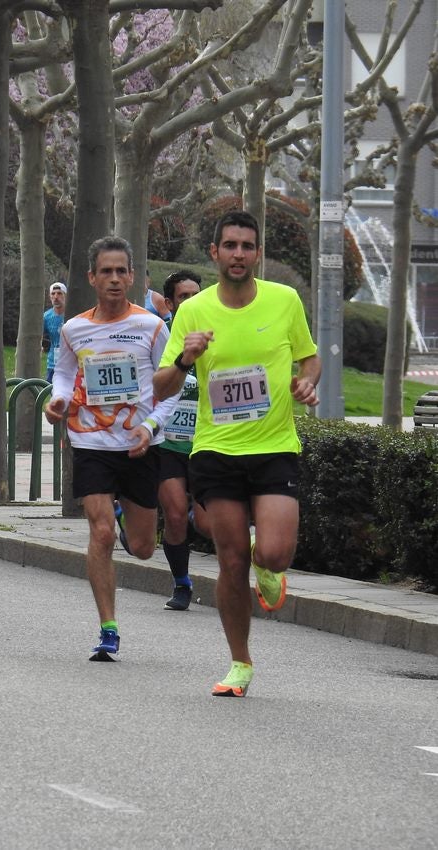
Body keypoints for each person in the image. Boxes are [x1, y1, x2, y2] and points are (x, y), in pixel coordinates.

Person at [154, 210, 320, 697]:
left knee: (274, 552)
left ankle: (265, 560)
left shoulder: (284, 300)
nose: (239, 254)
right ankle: (239, 663)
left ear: (258, 253)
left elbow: (309, 356)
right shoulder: (193, 311)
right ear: (215, 253)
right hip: (217, 449)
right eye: (230, 245)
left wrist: (308, 381)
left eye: (248, 246)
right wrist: (186, 357)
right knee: (230, 562)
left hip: (273, 447)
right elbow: (162, 387)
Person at [44, 235, 180, 661]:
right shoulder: (73, 328)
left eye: (122, 271)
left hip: (140, 443)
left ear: (133, 277)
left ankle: (127, 517)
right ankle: (108, 628)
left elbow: (174, 387)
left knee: (141, 548)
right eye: (107, 271)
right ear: (92, 278)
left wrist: (152, 425)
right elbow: (65, 376)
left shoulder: (152, 327)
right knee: (99, 535)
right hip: (91, 440)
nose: (115, 279)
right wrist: (59, 400)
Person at [154, 270, 210, 611]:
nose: (192, 302)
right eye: (184, 297)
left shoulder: (215, 336)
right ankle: (182, 583)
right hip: (168, 445)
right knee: (174, 516)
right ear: (170, 303)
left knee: (206, 524)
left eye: (196, 295)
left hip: (207, 443)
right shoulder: (161, 338)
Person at [42, 281, 66, 383]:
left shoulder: (73, 314)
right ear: (49, 296)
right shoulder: (46, 317)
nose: (56, 297)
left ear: (66, 296)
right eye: (53, 294)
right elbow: (39, 335)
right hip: (53, 362)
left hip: (72, 363)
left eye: (59, 293)